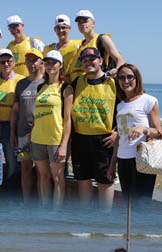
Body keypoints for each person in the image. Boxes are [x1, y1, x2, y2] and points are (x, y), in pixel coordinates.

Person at [71, 47, 118, 209]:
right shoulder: (78, 81)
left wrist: (117, 133)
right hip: (80, 138)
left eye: (92, 59)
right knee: (83, 179)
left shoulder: (113, 82)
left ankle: (105, 220)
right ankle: (85, 218)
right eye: (84, 60)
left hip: (104, 139)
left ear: (101, 61)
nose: (88, 63)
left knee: (105, 180)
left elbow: (127, 109)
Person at [109, 64, 162, 201]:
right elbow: (119, 137)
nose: (125, 81)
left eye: (129, 77)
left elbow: (159, 132)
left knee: (142, 204)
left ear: (137, 78)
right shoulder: (120, 105)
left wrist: (143, 129)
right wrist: (112, 164)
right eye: (121, 78)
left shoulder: (149, 101)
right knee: (128, 204)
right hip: (123, 160)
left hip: (142, 159)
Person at [30, 50, 73, 207]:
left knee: (57, 178)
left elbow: (68, 120)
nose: (50, 65)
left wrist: (63, 145)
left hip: (55, 139)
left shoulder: (65, 88)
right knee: (43, 176)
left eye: (53, 62)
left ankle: (56, 213)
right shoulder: (41, 86)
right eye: (47, 62)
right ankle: (43, 209)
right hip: (38, 138)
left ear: (60, 65)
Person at [0, 49, 24, 187]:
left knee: (12, 161)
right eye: (2, 62)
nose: (6, 64)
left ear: (14, 62)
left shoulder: (20, 80)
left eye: (9, 61)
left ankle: (11, 191)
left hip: (10, 125)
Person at [12, 48, 44, 203]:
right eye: (29, 60)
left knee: (40, 170)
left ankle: (39, 203)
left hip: (41, 134)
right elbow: (15, 111)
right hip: (23, 133)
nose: (31, 63)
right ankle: (26, 203)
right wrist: (13, 132)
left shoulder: (47, 82)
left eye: (35, 60)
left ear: (41, 62)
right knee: (25, 169)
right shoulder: (21, 84)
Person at [70, 10, 125, 81]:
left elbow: (120, 60)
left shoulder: (102, 39)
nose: (82, 24)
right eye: (79, 22)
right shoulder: (80, 45)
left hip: (100, 86)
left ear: (93, 23)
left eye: (85, 21)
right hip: (81, 87)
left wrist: (112, 73)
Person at [43, 14, 80, 84]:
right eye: (58, 28)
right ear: (54, 29)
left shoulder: (79, 44)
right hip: (55, 88)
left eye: (63, 27)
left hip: (75, 86)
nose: (61, 30)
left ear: (69, 28)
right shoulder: (48, 49)